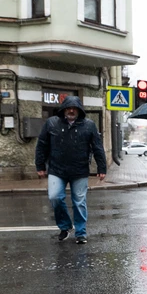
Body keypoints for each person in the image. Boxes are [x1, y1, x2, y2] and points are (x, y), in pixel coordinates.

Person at [35, 96, 106, 244]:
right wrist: (40, 166)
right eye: (68, 108)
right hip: (57, 169)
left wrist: (102, 167)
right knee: (54, 197)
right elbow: (42, 145)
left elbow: (97, 147)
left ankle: (80, 233)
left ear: (80, 110)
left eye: (74, 108)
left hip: (79, 170)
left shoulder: (89, 125)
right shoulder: (52, 123)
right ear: (63, 110)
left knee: (79, 202)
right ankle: (65, 226)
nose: (71, 111)